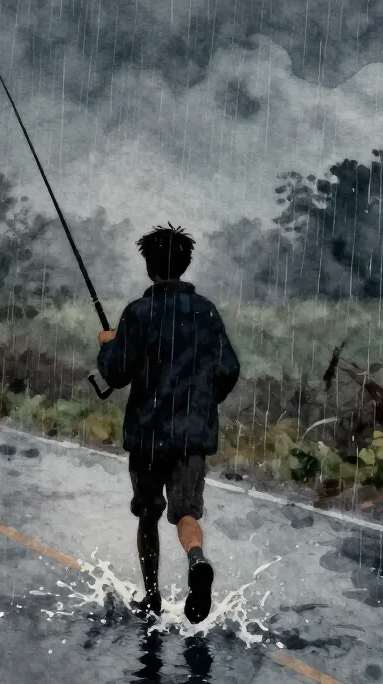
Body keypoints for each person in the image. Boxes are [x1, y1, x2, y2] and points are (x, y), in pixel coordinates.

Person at [95, 224, 240, 624]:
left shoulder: (138, 313)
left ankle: (153, 596)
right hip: (191, 435)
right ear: (185, 264)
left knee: (149, 515)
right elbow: (229, 368)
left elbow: (116, 374)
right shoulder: (206, 312)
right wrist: (201, 403)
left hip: (148, 433)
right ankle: (197, 559)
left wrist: (108, 346)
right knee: (186, 512)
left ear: (150, 267)